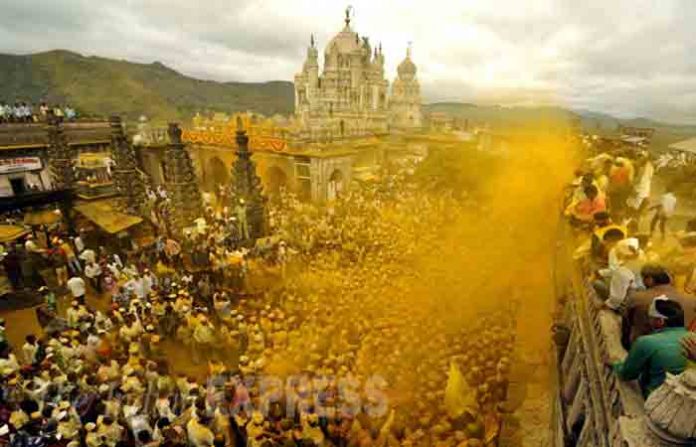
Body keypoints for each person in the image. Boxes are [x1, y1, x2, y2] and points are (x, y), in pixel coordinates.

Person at [611, 297, 689, 397]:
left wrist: (615, 364)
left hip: (656, 398)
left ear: (660, 321)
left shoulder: (646, 342)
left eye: (651, 318)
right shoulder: (693, 339)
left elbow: (626, 374)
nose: (648, 321)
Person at [625, 264, 696, 345]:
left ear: (649, 279)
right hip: (685, 349)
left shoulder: (636, 298)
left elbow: (627, 324)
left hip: (645, 348)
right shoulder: (691, 300)